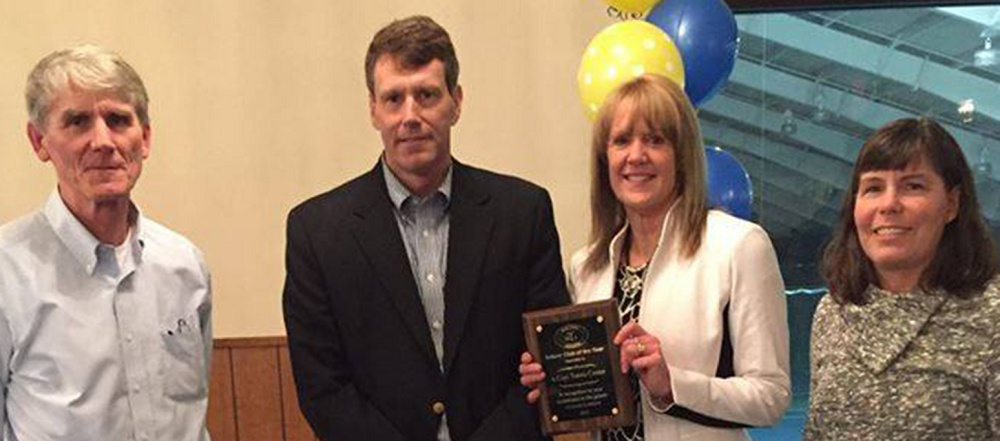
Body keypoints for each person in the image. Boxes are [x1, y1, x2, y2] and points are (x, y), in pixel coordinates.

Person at [282, 15, 570, 441]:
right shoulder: (316, 232)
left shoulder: (523, 213)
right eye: (394, 98)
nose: (410, 115)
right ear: (373, 110)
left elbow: (548, 363)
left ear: (456, 101)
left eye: (427, 95)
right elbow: (322, 387)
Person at [520, 74, 790, 440]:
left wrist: (671, 384)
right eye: (621, 141)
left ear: (682, 155)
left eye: (655, 140)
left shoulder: (739, 246)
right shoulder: (587, 266)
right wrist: (554, 386)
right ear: (605, 159)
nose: (636, 156)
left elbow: (770, 398)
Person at [0, 45, 212, 441]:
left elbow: (194, 413)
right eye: (77, 122)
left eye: (118, 120)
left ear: (144, 138)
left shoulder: (185, 265)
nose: (102, 140)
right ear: (39, 141)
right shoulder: (7, 271)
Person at [804, 118, 1000, 440]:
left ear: (951, 204)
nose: (889, 204)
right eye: (873, 188)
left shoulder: (991, 316)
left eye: (913, 186)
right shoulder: (834, 311)